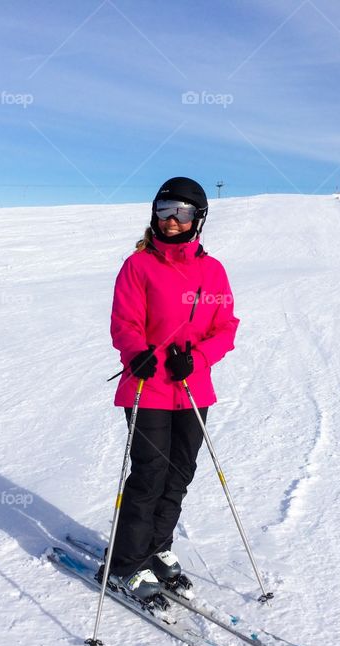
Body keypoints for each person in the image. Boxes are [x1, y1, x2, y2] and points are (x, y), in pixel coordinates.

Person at [105, 177, 240, 602]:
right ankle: (125, 564)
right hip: (148, 386)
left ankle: (156, 547)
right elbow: (124, 323)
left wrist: (197, 359)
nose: (171, 221)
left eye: (182, 213)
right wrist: (136, 351)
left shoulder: (212, 270)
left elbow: (226, 327)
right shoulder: (138, 265)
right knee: (149, 475)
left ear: (197, 218)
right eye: (164, 211)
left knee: (180, 475)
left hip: (193, 388)